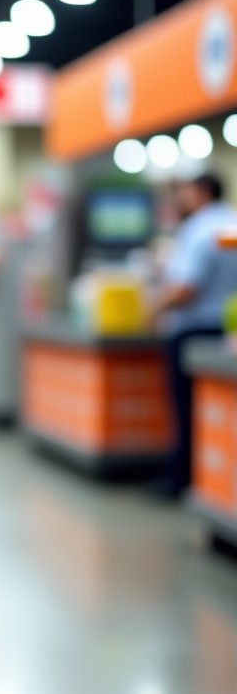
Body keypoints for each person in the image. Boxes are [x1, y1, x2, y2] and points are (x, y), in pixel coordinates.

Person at [149, 173, 237, 497]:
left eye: (184, 194)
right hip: (227, 329)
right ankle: (210, 483)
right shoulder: (232, 222)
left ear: (201, 193)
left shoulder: (197, 230)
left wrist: (153, 308)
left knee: (187, 412)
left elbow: (186, 288)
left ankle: (182, 479)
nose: (179, 200)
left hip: (191, 331)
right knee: (213, 411)